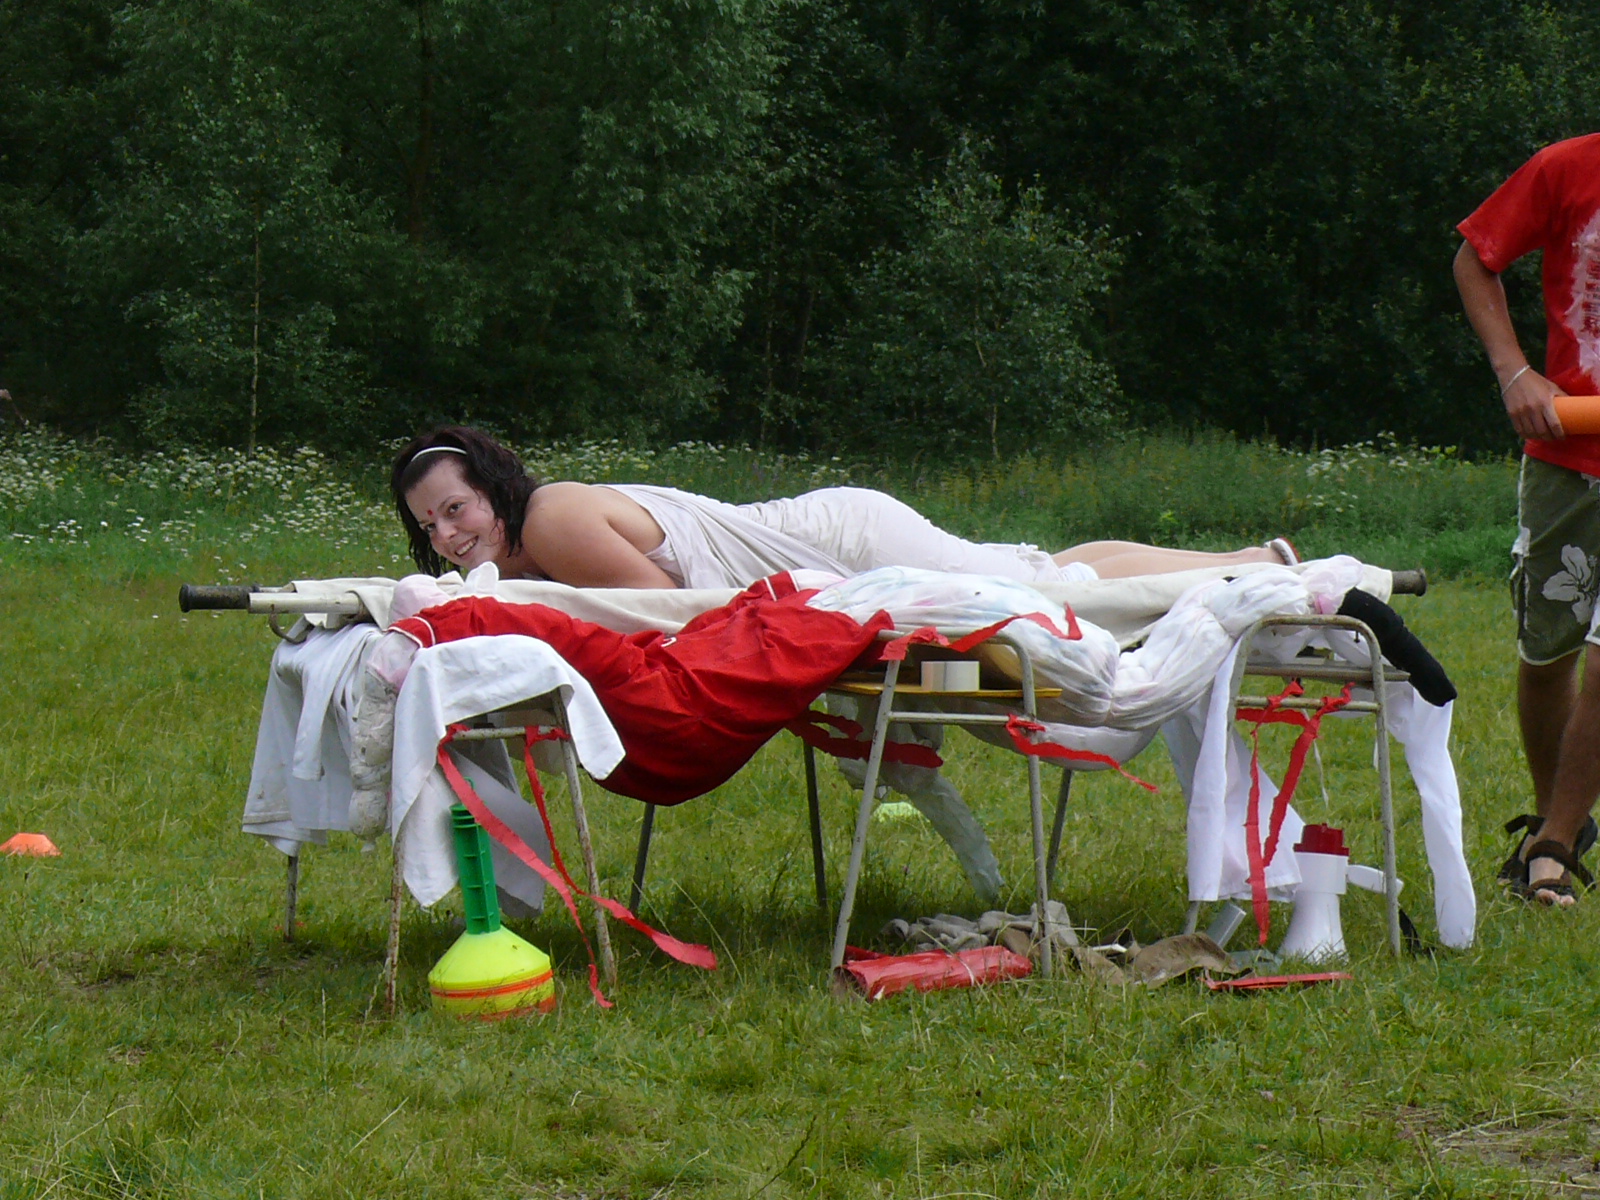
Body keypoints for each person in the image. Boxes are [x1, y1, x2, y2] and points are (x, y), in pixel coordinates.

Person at [390, 426, 1296, 594]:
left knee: (1048, 591)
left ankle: (1253, 567)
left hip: (845, 541)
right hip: (829, 529)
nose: (447, 534)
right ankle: (1244, 556)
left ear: (495, 489)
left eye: (456, 508)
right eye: (430, 525)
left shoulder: (552, 518)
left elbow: (666, 611)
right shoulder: (530, 546)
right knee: (1044, 568)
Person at [1455, 132, 1600, 905]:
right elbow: (1474, 259)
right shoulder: (1566, 168)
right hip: (1567, 459)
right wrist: (1515, 372)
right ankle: (1555, 819)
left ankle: (1554, 845)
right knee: (1547, 658)